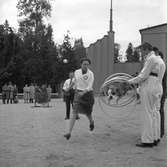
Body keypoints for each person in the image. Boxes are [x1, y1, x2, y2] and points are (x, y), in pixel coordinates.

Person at [128, 43, 166, 147]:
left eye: (142, 50)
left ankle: (147, 140)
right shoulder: (159, 60)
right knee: (154, 113)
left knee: (147, 113)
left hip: (149, 87)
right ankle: (155, 137)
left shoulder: (151, 59)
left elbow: (142, 76)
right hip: (157, 87)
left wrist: (129, 81)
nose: (141, 53)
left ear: (146, 49)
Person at [64, 58, 95, 140]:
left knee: (88, 113)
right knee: (74, 113)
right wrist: (68, 88)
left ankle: (91, 122)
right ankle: (69, 133)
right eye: (84, 64)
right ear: (81, 64)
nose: (86, 66)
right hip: (78, 94)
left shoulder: (91, 74)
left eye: (87, 64)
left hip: (88, 95)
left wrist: (83, 92)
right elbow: (74, 81)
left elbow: (90, 86)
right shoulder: (77, 72)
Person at [153, 47, 167, 138]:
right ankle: (158, 130)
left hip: (160, 91)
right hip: (160, 90)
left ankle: (160, 131)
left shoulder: (161, 67)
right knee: (158, 110)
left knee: (159, 110)